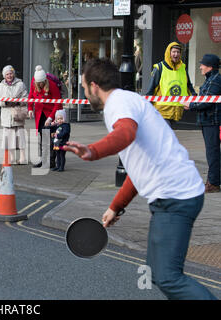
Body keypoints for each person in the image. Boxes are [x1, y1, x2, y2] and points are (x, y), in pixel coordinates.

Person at [63, 58, 216, 300]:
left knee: (168, 276)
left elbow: (125, 133)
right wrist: (116, 206)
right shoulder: (127, 101)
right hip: (173, 195)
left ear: (94, 86)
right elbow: (138, 168)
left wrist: (93, 151)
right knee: (157, 273)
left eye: (83, 87)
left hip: (175, 197)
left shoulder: (118, 103)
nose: (84, 92)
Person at [183, 54, 221, 193]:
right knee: (212, 152)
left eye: (202, 65)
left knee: (213, 152)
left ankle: (214, 183)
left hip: (212, 122)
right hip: (208, 121)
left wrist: (191, 105)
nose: (200, 67)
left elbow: (206, 101)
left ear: (210, 66)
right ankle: (213, 181)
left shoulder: (215, 81)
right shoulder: (211, 79)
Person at [145, 42, 196, 126]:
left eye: (178, 52)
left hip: (177, 111)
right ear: (169, 53)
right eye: (174, 52)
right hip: (162, 111)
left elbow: (188, 86)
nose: (176, 54)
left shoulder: (183, 68)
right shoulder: (159, 68)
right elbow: (151, 88)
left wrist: (194, 99)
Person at [28, 65, 62, 168]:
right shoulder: (34, 82)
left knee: (51, 139)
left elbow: (58, 103)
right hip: (40, 114)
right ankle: (43, 160)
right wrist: (30, 109)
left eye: (41, 83)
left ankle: (51, 161)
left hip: (51, 113)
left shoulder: (52, 85)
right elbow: (31, 96)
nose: (40, 85)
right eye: (38, 84)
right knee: (43, 138)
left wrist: (51, 118)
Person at [0, 65, 28, 165]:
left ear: (14, 74)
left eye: (11, 73)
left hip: (17, 114)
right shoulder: (0, 86)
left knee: (20, 137)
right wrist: (4, 103)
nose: (9, 75)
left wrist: (18, 102)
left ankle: (23, 158)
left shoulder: (20, 84)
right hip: (6, 115)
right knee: (8, 139)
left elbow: (26, 98)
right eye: (7, 74)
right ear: (4, 75)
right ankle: (12, 158)